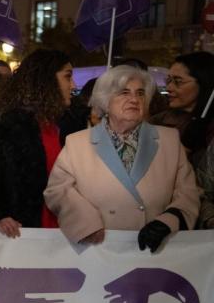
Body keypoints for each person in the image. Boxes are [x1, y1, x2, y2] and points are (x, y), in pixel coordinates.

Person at [44, 65, 200, 251]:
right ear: (105, 101)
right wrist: (85, 223)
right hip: (99, 248)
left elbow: (189, 191)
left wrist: (169, 221)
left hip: (155, 250)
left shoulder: (169, 139)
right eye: (124, 92)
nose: (134, 99)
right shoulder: (77, 143)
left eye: (140, 93)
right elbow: (57, 191)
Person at [0, 49, 75, 238]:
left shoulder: (63, 124)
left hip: (63, 229)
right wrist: (1, 214)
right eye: (67, 77)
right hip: (26, 232)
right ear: (46, 79)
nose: (73, 85)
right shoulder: (13, 125)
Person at [161, 52, 214, 167]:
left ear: (203, 83)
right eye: (168, 80)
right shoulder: (159, 121)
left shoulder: (209, 128)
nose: (169, 88)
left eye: (178, 81)